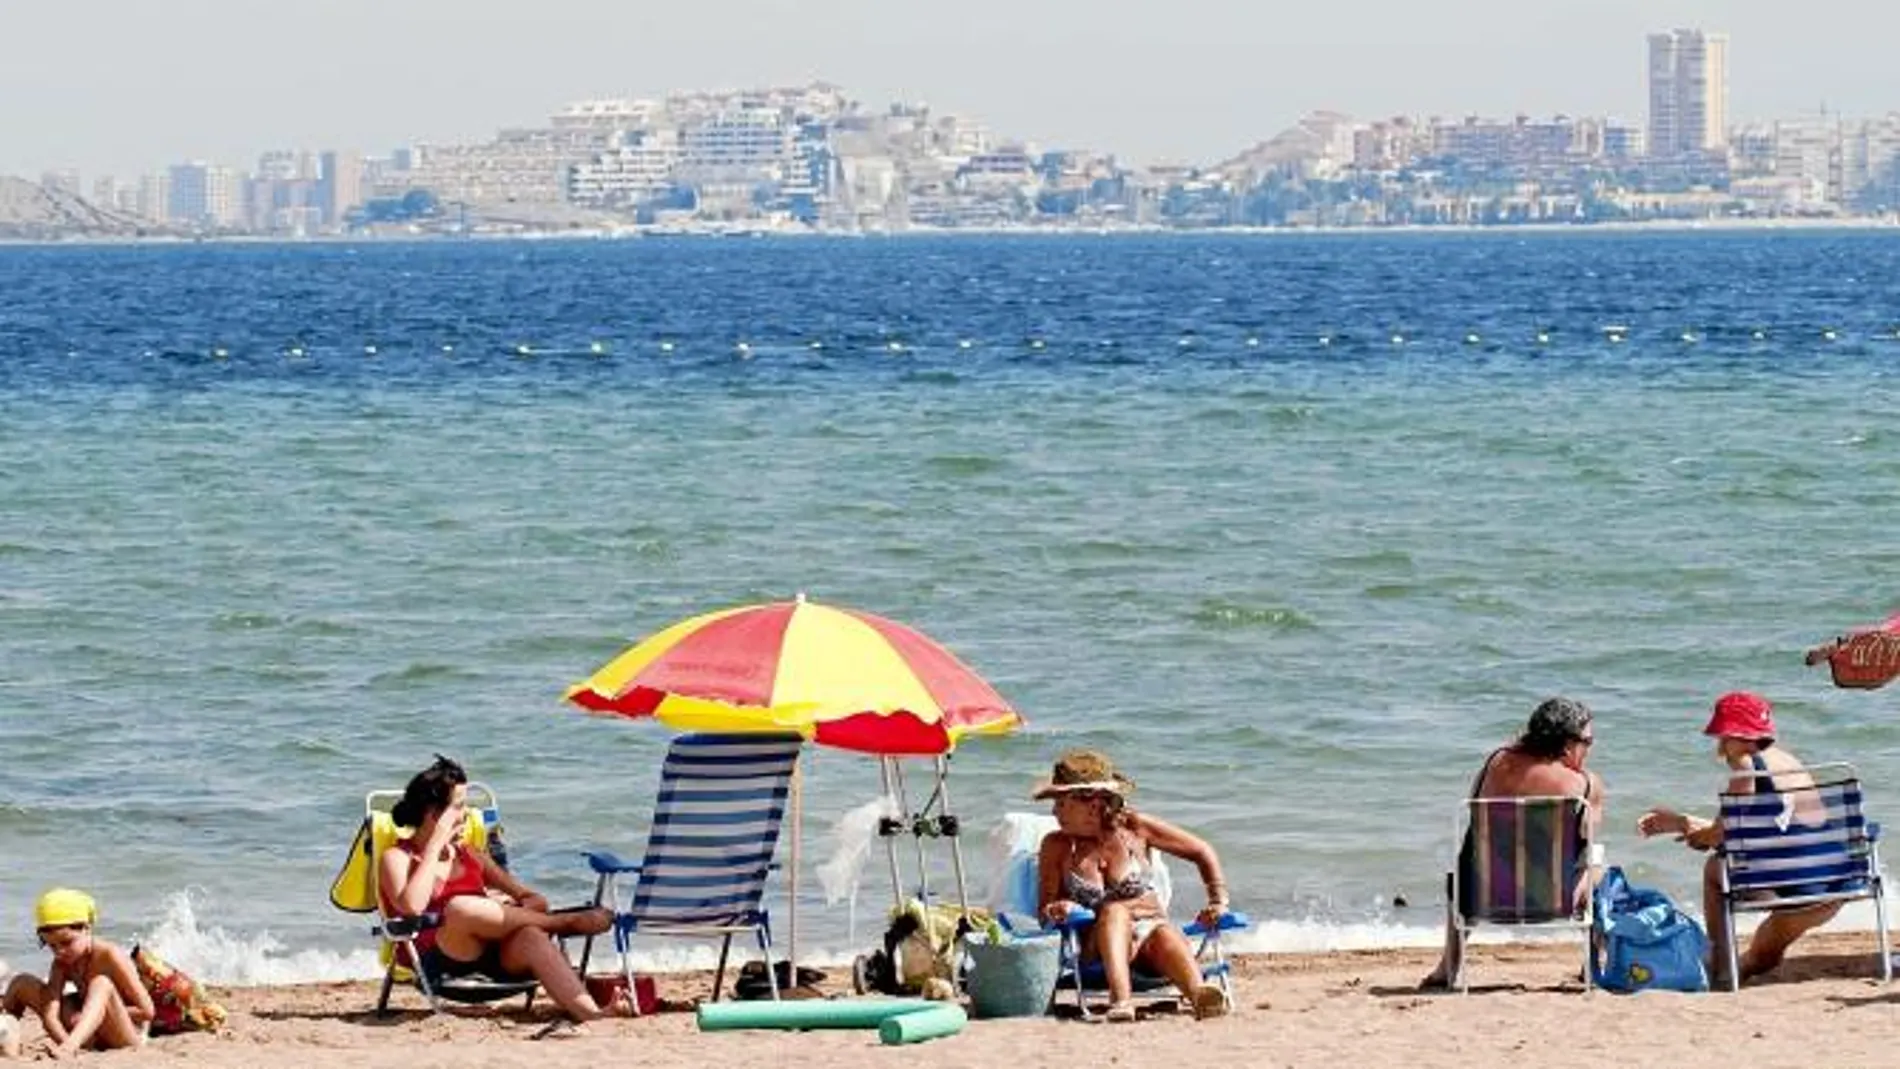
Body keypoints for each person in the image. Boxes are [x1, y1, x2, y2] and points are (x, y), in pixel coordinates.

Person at [378, 755, 622, 1026]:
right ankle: (564, 923)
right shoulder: (398, 857)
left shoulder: (471, 855)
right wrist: (435, 846)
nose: (468, 813)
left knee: (530, 934)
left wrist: (500, 911)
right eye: (459, 807)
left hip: (496, 957)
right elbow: (411, 907)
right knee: (460, 908)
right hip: (441, 961)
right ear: (434, 815)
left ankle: (591, 1014)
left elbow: (535, 900)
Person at [1637, 691, 1839, 986]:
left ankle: (1720, 965)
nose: (1721, 750)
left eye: (1724, 739)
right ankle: (1734, 966)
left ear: (1742, 736)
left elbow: (1723, 834)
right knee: (1761, 959)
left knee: (1713, 871)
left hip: (1796, 891)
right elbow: (1753, 829)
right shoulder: (1788, 760)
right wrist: (1684, 823)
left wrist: (1688, 830)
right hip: (1832, 887)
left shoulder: (1748, 766)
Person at [1033, 749, 1232, 1023]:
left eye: (1061, 802)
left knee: (1162, 932)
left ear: (1093, 804)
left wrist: (1218, 902)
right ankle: (1121, 1001)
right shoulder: (1056, 845)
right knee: (1115, 911)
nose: (1054, 810)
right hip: (1096, 949)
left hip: (1151, 943)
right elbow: (1043, 911)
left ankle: (1200, 996)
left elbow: (1202, 851)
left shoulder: (1136, 828)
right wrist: (1058, 908)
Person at [1422, 696, 1606, 989]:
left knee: (1467, 856)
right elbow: (1589, 833)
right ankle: (1593, 965)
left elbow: (1474, 808)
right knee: (1598, 863)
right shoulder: (1585, 785)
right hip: (1555, 900)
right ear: (1568, 744)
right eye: (1588, 741)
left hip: (1480, 896)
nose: (1589, 749)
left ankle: (1448, 967)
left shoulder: (1495, 762)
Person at [0, 888, 154, 1059]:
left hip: (124, 1033)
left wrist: (92, 1012)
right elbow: (50, 1015)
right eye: (52, 946)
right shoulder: (61, 962)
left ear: (86, 929)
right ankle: (6, 1035)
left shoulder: (110, 955)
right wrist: (65, 1041)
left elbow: (147, 1011)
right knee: (22, 982)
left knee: (101, 983)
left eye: (66, 942)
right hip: (83, 1035)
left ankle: (72, 1044)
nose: (59, 951)